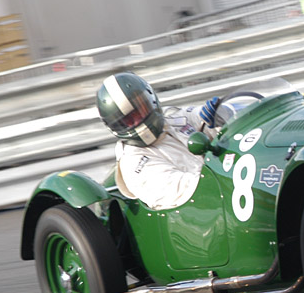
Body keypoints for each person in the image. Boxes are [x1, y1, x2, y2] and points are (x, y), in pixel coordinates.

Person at [96, 72, 230, 211]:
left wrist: (218, 116)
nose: (138, 121)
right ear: (116, 126)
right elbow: (189, 190)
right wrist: (228, 175)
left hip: (226, 191)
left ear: (150, 101)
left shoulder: (172, 117)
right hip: (205, 212)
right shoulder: (135, 164)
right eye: (128, 120)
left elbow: (206, 118)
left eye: (140, 110)